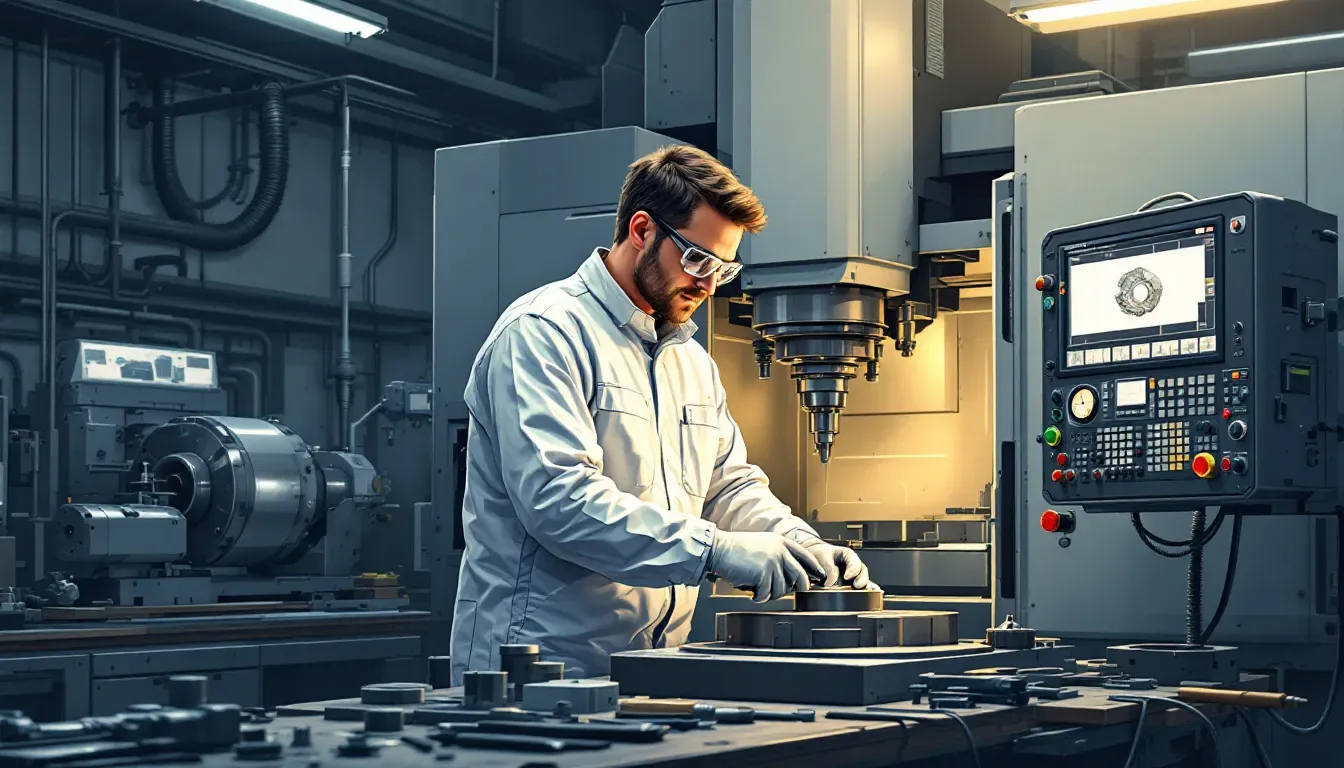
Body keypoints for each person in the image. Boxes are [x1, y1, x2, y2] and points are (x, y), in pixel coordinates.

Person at [449, 144, 873, 683]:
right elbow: (559, 502)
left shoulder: (690, 360)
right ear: (642, 230)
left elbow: (727, 488)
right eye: (697, 259)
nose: (710, 284)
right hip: (538, 671)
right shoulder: (544, 333)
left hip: (652, 670)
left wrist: (802, 546)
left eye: (724, 267)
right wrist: (714, 551)